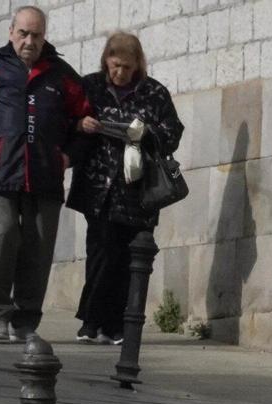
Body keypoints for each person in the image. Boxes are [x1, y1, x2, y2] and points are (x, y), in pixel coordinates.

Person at [0, 6, 97, 341]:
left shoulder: (62, 75)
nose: (29, 41)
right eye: (23, 33)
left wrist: (68, 155)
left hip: (46, 175)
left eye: (36, 35)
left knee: (38, 247)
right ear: (11, 32)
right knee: (3, 234)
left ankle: (25, 321)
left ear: (44, 36)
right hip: (0, 171)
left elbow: (86, 121)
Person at [66, 31, 180, 344]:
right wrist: (81, 124)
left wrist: (147, 134)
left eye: (127, 67)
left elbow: (172, 133)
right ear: (106, 61)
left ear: (137, 65)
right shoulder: (91, 87)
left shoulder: (154, 93)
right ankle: (92, 321)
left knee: (128, 258)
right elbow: (66, 119)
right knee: (101, 251)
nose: (120, 73)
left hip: (137, 192)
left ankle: (116, 324)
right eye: (115, 65)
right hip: (99, 188)